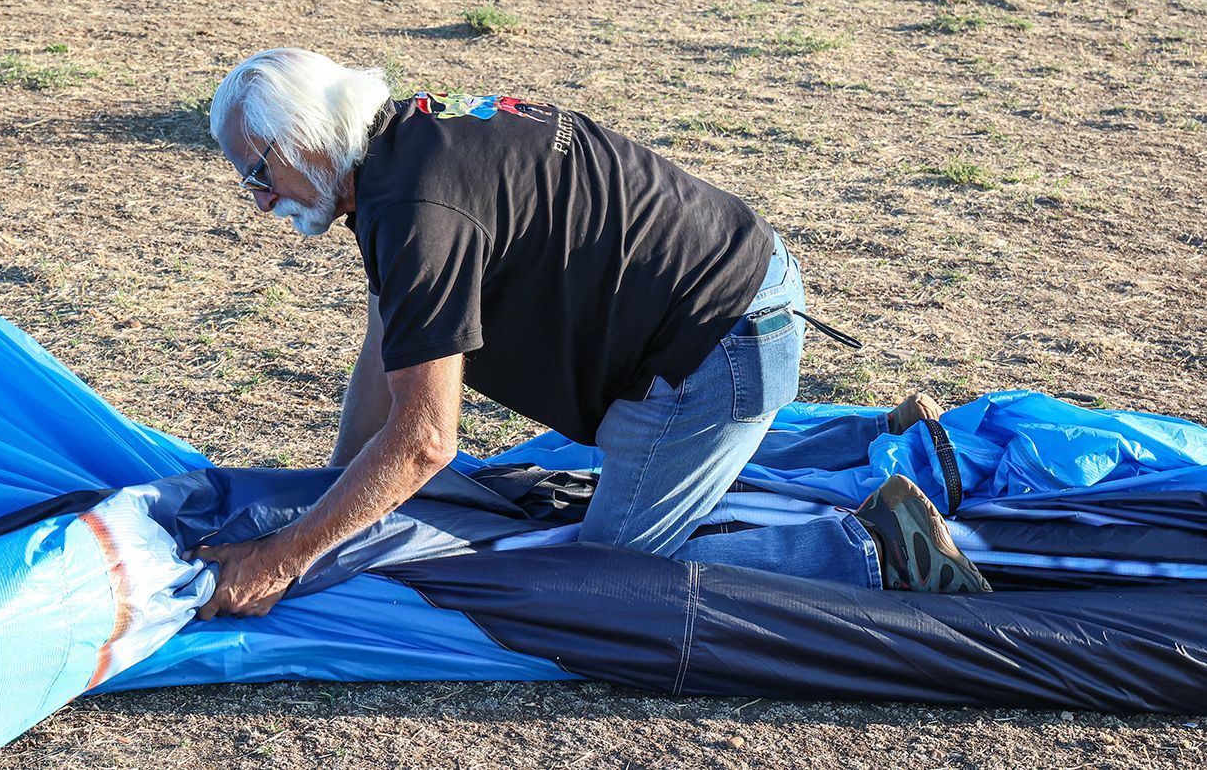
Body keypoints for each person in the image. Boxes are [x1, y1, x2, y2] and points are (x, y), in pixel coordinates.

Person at [193, 48, 989, 620]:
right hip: (732, 298)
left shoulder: (416, 212)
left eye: (256, 173)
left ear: (300, 139)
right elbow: (386, 341)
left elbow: (423, 441)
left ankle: (877, 548)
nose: (257, 198)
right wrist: (331, 490)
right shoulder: (409, 146)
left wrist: (288, 553)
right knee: (625, 437)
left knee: (604, 576)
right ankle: (875, 437)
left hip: (716, 348)